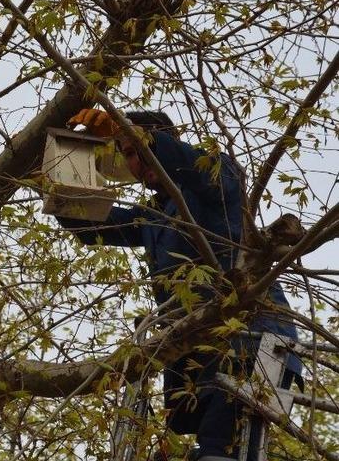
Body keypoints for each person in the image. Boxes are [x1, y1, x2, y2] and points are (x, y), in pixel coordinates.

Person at [57, 108, 301, 461]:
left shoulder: (216, 175)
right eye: (126, 155)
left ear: (163, 142)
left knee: (225, 445)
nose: (135, 163)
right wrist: (57, 171)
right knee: (190, 430)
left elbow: (195, 167)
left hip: (252, 343)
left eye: (133, 150)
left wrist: (140, 137)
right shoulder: (154, 216)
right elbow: (92, 223)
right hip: (196, 355)